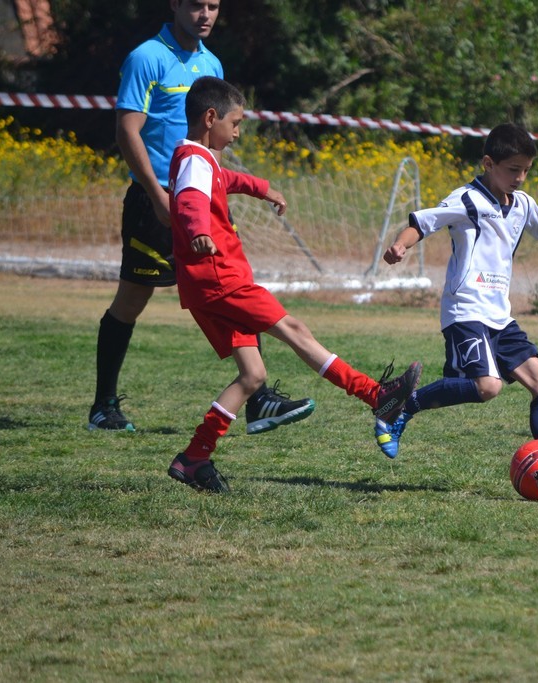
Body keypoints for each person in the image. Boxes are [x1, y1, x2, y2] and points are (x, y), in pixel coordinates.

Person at [166, 76, 422, 493]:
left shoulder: (198, 158)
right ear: (211, 118)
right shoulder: (194, 160)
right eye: (235, 123)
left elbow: (225, 181)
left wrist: (263, 188)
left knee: (252, 376)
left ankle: (195, 457)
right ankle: (375, 395)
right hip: (220, 278)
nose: (238, 132)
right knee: (295, 330)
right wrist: (198, 231)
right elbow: (190, 201)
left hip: (208, 284)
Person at [376, 122, 538, 501]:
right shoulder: (467, 199)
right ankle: (399, 407)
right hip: (466, 309)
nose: (520, 178)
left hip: (499, 314)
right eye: (513, 169)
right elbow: (422, 222)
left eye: (526, 170)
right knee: (488, 387)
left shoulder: (522, 204)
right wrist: (400, 245)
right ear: (488, 163)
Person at [89, 0, 311, 435]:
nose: (205, 14)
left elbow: (214, 142)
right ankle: (103, 406)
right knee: (132, 300)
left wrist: (224, 194)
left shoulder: (212, 63)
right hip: (156, 200)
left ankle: (259, 399)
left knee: (236, 288)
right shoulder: (146, 57)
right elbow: (127, 130)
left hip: (204, 201)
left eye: (213, 6)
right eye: (195, 5)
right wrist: (158, 196)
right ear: (175, 4)